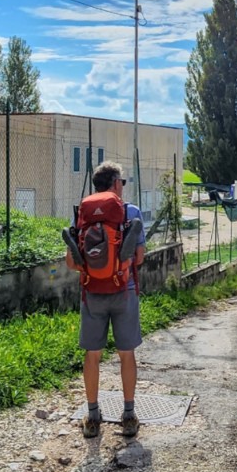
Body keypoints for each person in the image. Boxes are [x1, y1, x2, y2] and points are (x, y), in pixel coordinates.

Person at [68, 161, 146, 438]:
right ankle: (128, 415)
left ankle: (91, 417)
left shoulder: (82, 214)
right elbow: (138, 258)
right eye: (121, 182)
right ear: (115, 184)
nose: (122, 187)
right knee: (126, 354)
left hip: (92, 293)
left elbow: (71, 262)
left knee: (93, 355)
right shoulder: (131, 212)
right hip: (124, 290)